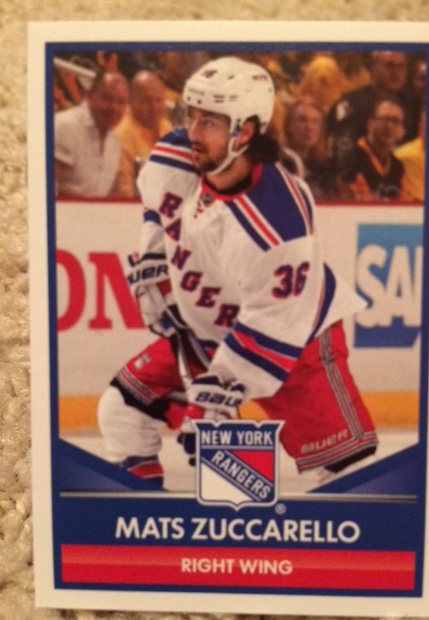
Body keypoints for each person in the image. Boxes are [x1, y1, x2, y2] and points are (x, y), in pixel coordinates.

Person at [97, 56, 378, 488]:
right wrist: (154, 260)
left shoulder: (278, 220)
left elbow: (274, 324)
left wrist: (215, 397)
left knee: (351, 476)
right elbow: (156, 206)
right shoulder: (177, 154)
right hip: (209, 334)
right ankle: (147, 515)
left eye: (209, 122)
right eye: (191, 115)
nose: (192, 132)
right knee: (122, 411)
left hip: (296, 345)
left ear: (244, 132)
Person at [326, 51, 417, 176]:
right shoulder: (351, 104)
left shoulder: (412, 106)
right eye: (389, 66)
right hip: (357, 175)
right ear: (373, 67)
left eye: (401, 66)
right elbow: (342, 156)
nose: (396, 72)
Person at [54, 71, 129, 197]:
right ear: (90, 96)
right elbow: (48, 190)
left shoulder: (115, 140)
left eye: (121, 102)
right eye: (107, 99)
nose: (114, 108)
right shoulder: (65, 126)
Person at [115, 70, 172, 198]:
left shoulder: (166, 127)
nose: (154, 107)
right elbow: (125, 191)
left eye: (158, 100)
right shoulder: (121, 134)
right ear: (131, 101)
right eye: (146, 101)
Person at [337, 98, 407, 201]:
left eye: (396, 121)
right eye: (384, 119)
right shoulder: (349, 162)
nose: (389, 126)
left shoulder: (398, 167)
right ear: (370, 124)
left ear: (402, 130)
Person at [283, 96, 333, 200]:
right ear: (289, 125)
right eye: (302, 120)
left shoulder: (326, 167)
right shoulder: (277, 164)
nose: (309, 127)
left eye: (315, 121)